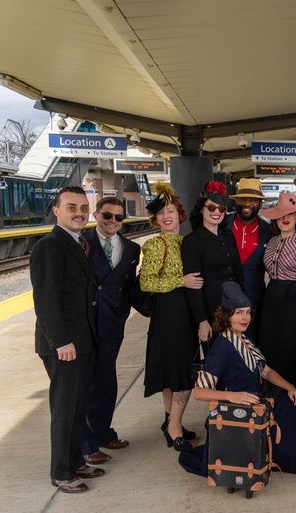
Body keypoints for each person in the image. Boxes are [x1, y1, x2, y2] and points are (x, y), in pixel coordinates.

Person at [182, 282, 296, 478]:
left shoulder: (245, 339)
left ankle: (278, 455)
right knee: (291, 411)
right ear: (227, 315)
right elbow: (199, 392)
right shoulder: (222, 348)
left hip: (258, 395)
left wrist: (290, 386)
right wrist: (232, 396)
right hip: (241, 408)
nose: (245, 318)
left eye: (248, 312)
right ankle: (277, 458)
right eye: (239, 312)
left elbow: (265, 371)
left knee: (295, 397)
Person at [30, 186, 101, 493]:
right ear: (56, 210)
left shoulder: (76, 242)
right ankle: (61, 472)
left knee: (78, 404)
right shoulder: (50, 245)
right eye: (72, 207)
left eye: (84, 208)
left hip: (82, 341)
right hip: (64, 345)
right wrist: (61, 342)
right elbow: (46, 300)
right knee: (65, 408)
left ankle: (74, 460)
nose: (79, 213)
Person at [140, 183, 203, 453]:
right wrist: (182, 281)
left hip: (184, 312)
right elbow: (146, 282)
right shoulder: (155, 244)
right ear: (156, 220)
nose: (167, 217)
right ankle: (174, 427)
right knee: (181, 374)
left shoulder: (185, 241)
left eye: (171, 211)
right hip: (170, 313)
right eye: (161, 214)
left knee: (172, 372)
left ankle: (170, 422)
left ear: (180, 214)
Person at [80, 197, 141, 465]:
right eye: (107, 215)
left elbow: (129, 287)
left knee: (106, 379)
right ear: (96, 214)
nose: (113, 221)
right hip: (85, 322)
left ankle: (104, 433)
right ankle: (86, 442)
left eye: (119, 217)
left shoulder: (130, 249)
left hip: (112, 323)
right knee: (84, 384)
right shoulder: (81, 243)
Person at [182, 180, 244, 347]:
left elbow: (238, 272)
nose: (216, 212)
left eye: (221, 208)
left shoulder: (228, 236)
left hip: (234, 310)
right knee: (217, 360)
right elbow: (193, 286)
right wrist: (202, 321)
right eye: (211, 207)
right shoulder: (192, 242)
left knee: (237, 359)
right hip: (211, 314)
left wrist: (243, 307)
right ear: (201, 209)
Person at [257, 193, 296, 387]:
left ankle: (293, 399)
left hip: (294, 301)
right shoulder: (271, 242)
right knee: (269, 346)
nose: (285, 219)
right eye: (281, 215)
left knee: (291, 348)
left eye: (290, 215)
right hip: (270, 299)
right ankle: (271, 397)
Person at [226, 178, 270, 342]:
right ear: (236, 200)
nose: (247, 203)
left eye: (253, 200)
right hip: (224, 301)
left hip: (254, 302)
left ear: (259, 203)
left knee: (251, 346)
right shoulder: (223, 225)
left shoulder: (269, 231)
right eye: (243, 198)